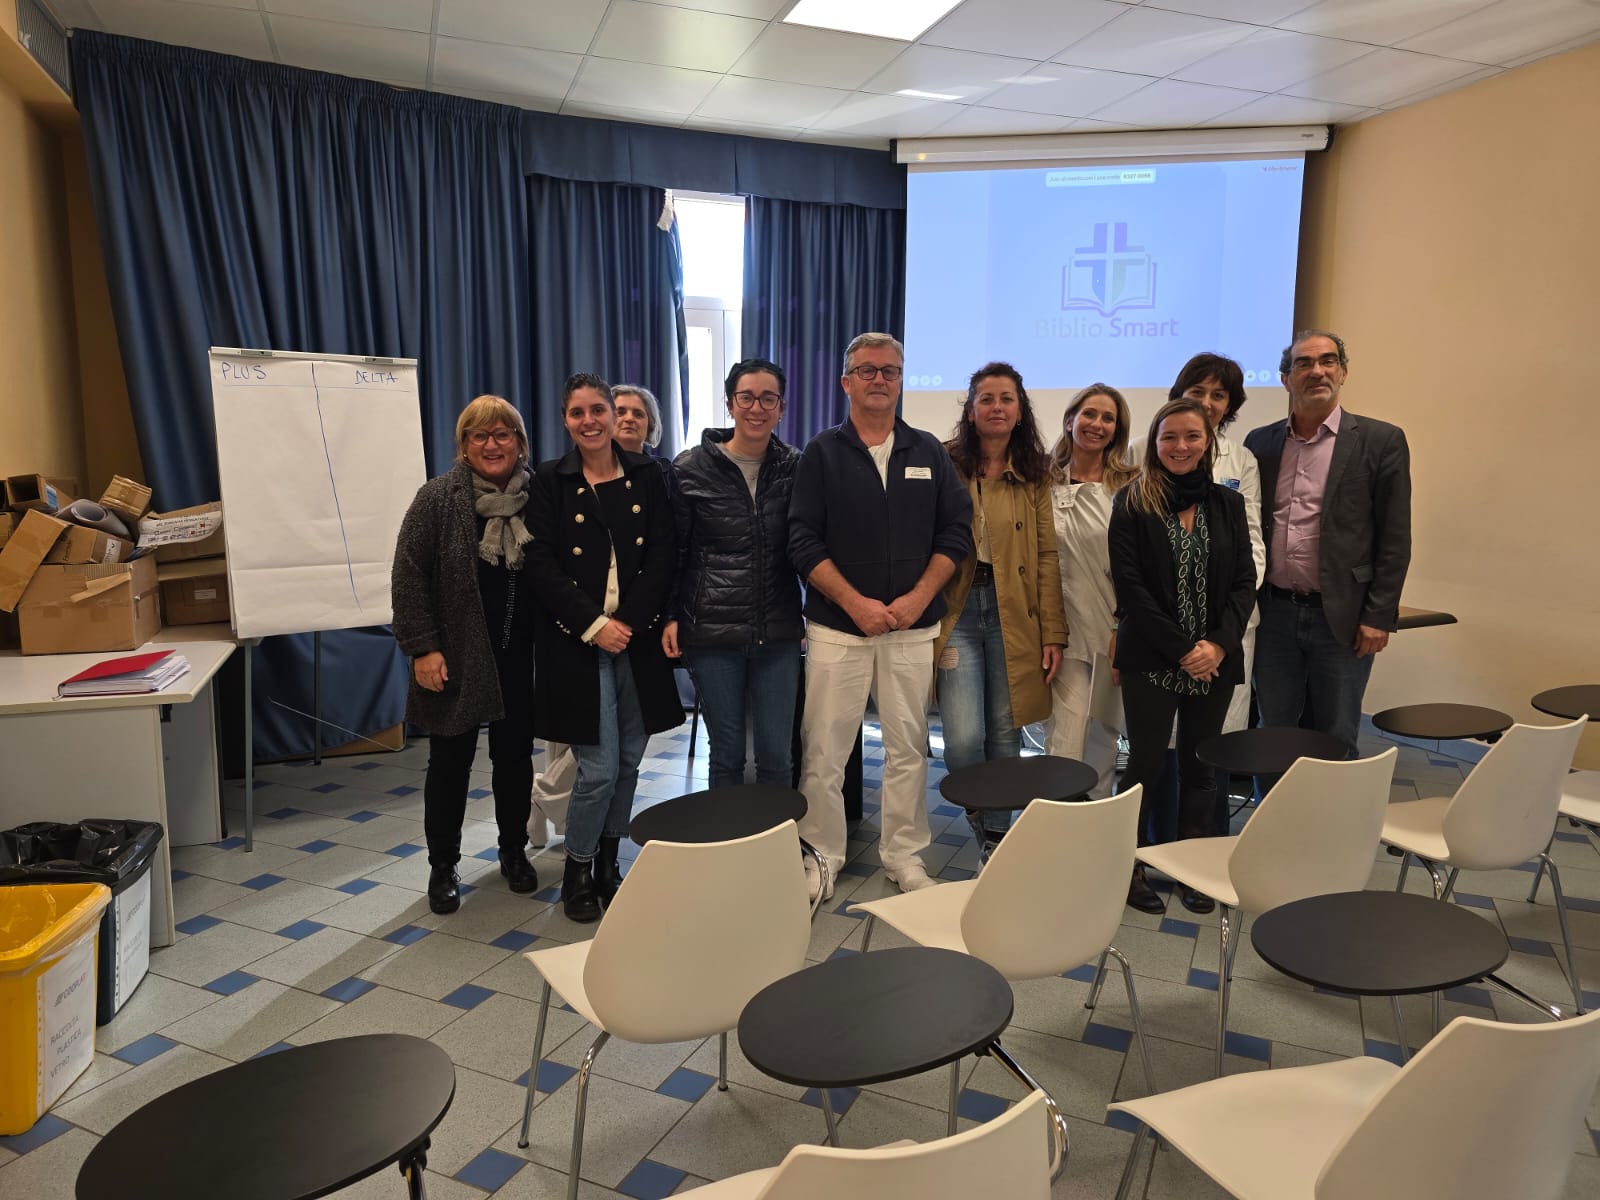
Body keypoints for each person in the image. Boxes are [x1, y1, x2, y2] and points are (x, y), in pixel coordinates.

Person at [789, 332, 973, 902]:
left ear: (900, 380)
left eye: (889, 370)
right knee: (825, 751)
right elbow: (802, 539)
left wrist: (918, 598)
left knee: (908, 748)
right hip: (837, 629)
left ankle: (904, 855)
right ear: (846, 382)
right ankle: (822, 856)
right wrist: (855, 604)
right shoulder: (822, 453)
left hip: (912, 628)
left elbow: (956, 531)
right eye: (867, 370)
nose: (879, 379)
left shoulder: (928, 452)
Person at [526, 373, 683, 923]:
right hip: (577, 641)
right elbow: (540, 564)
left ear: (615, 417)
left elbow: (663, 554)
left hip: (635, 640)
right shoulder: (550, 479)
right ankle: (578, 867)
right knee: (597, 768)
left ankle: (610, 863)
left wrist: (629, 623)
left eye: (599, 410)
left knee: (629, 762)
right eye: (578, 412)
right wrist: (595, 625)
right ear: (565, 420)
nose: (590, 421)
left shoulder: (647, 474)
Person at [392, 395, 540, 916]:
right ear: (464, 445)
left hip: (521, 655)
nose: (492, 444)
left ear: (520, 442)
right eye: (480, 435)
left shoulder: (539, 495)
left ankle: (513, 851)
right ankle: (443, 866)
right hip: (455, 656)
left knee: (515, 761)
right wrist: (422, 648)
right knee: (449, 764)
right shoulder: (438, 498)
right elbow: (408, 576)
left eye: (503, 434)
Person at [1109, 400, 1256, 914]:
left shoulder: (1228, 504)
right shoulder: (1132, 501)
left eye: (1192, 436)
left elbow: (1244, 581)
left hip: (1214, 659)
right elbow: (1131, 588)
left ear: (1208, 442)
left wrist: (1217, 644)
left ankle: (1192, 867)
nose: (1180, 446)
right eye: (1169, 436)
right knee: (1145, 766)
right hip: (1152, 656)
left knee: (1201, 768)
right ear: (1154, 444)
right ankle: (1128, 867)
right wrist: (1182, 650)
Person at [1244, 331, 1411, 759]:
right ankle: (1274, 804)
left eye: (1328, 361)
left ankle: (1336, 806)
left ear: (1343, 372)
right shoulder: (1259, 444)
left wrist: (1379, 615)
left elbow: (1395, 538)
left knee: (1337, 733)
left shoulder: (1380, 440)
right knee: (1272, 729)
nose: (1317, 371)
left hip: (1343, 616)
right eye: (1303, 363)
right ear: (1285, 379)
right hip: (1274, 614)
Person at [934, 362, 1067, 859]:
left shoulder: (1034, 470)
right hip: (958, 610)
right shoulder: (945, 462)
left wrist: (1053, 632)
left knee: (1006, 734)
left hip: (1016, 613)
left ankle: (995, 838)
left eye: (1006, 398)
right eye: (986, 399)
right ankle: (979, 806)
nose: (996, 407)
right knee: (963, 739)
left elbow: (1047, 553)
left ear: (1020, 410)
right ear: (970, 411)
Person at [664, 358, 803, 788]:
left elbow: (808, 547)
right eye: (746, 397)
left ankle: (776, 833)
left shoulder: (797, 466)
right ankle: (726, 834)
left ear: (782, 407)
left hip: (778, 631)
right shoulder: (689, 468)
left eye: (768, 399)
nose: (756, 408)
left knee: (777, 756)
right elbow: (674, 551)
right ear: (729, 404)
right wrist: (671, 615)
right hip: (712, 632)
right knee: (726, 755)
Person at [1043, 385, 1139, 798]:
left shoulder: (1131, 486)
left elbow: (1139, 566)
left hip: (1113, 629)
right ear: (1070, 420)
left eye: (1108, 418)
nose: (1097, 424)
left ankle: (1095, 820)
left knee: (1103, 734)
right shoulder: (1040, 481)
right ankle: (1055, 821)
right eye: (1089, 414)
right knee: (1065, 734)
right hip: (1059, 632)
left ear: (1117, 430)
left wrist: (1123, 629)